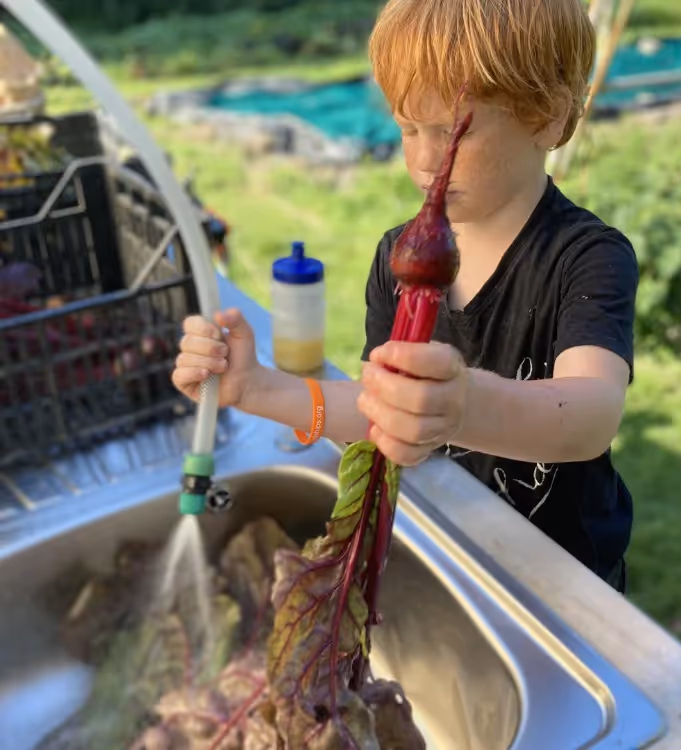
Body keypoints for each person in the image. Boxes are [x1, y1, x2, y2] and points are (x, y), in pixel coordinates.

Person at [172, 0, 638, 593]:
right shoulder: (399, 257)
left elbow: (592, 415)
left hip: (565, 580)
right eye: (407, 128)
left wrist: (467, 407)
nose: (421, 160)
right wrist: (258, 388)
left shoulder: (586, 256)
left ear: (545, 117)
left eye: (450, 132)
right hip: (452, 546)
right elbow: (378, 412)